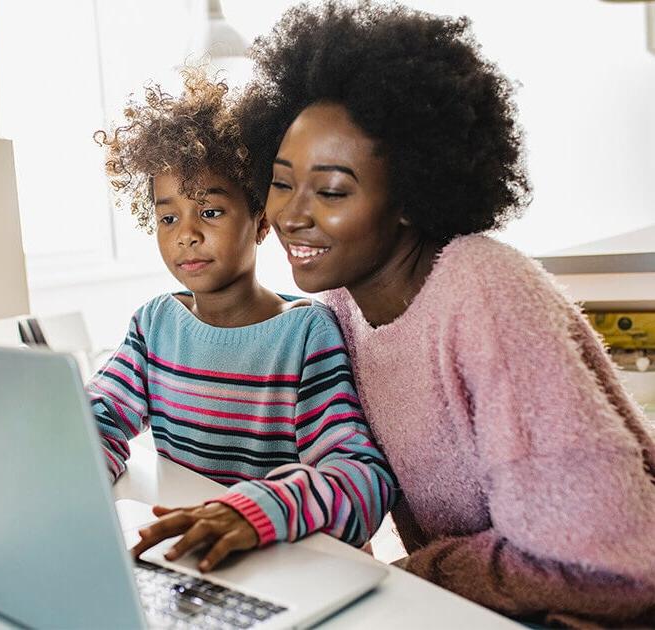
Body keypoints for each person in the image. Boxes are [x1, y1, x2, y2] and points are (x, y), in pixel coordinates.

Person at [236, 2, 655, 627]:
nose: (292, 215)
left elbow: (602, 565)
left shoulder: (486, 290)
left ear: (409, 196)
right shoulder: (340, 309)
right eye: (281, 181)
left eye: (331, 191)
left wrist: (409, 579)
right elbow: (351, 475)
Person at [90, 68, 396, 572]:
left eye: (209, 211)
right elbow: (98, 414)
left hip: (290, 562)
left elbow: (363, 480)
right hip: (198, 559)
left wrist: (256, 510)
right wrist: (80, 470)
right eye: (168, 218)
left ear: (260, 221)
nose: (185, 234)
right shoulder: (155, 326)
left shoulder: (305, 333)